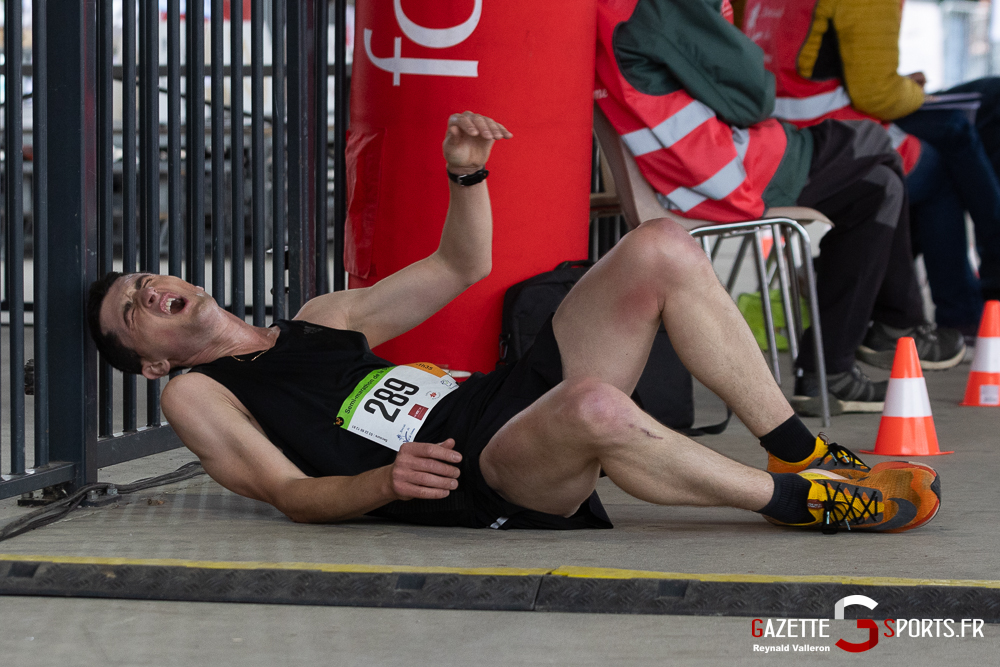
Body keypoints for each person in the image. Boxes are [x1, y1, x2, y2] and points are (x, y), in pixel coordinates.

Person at [87, 111, 940, 534]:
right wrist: (386, 483)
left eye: (143, 279)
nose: (148, 292)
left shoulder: (319, 319)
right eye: (131, 312)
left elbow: (462, 267)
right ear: (151, 363)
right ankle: (804, 501)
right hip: (480, 472)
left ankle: (797, 443)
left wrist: (468, 177)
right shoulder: (195, 392)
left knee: (660, 246)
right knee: (595, 410)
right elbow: (287, 492)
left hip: (505, 399)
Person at [593, 0, 964, 417]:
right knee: (876, 146)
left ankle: (848, 363)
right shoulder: (663, 7)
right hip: (722, 173)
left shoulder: (615, 8)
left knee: (879, 186)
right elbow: (755, 96)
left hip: (691, 170)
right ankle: (886, 331)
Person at [740, 0, 1000, 337]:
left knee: (982, 106)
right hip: (830, 142)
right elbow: (877, 95)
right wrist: (914, 93)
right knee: (940, 168)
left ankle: (958, 299)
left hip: (772, 136)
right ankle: (957, 311)